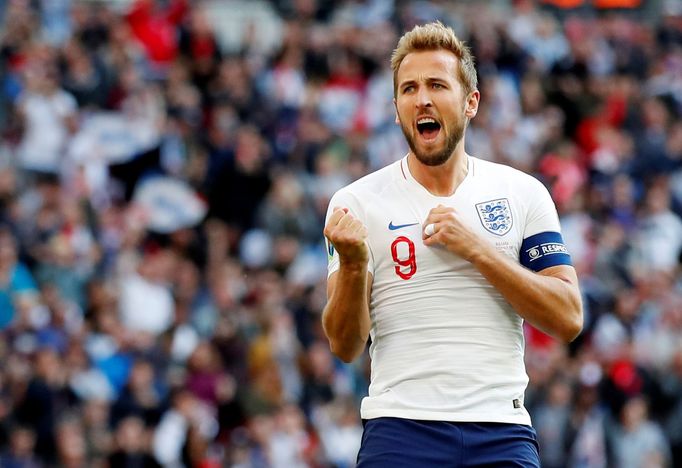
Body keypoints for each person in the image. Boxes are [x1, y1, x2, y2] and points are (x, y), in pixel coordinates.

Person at [322, 21, 583, 467]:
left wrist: (478, 249)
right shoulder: (355, 203)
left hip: (501, 429)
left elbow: (568, 317)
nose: (422, 98)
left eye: (437, 85)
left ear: (471, 103)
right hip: (401, 429)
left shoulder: (522, 193)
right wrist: (350, 266)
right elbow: (345, 346)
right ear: (397, 107)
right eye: (409, 88)